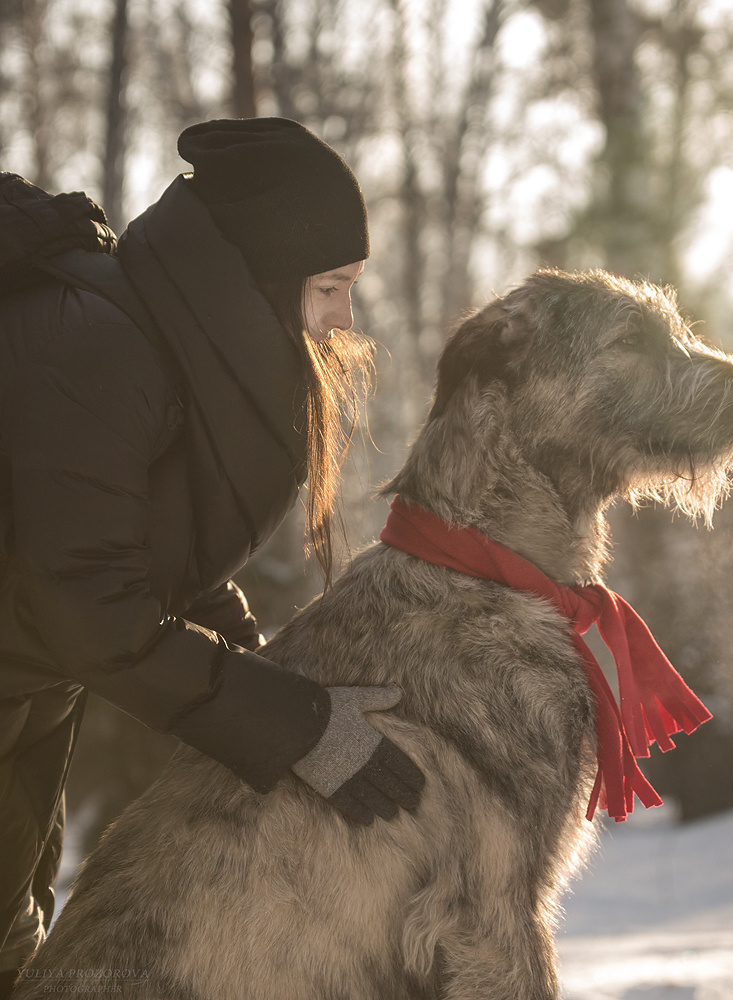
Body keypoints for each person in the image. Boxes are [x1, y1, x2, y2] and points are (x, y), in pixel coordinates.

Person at [0, 117, 425, 996]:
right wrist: (294, 725)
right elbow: (91, 609)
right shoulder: (99, 345)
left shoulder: (162, 339)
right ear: (262, 275)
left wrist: (285, 685)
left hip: (27, 691)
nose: (345, 319)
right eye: (331, 287)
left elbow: (155, 559)